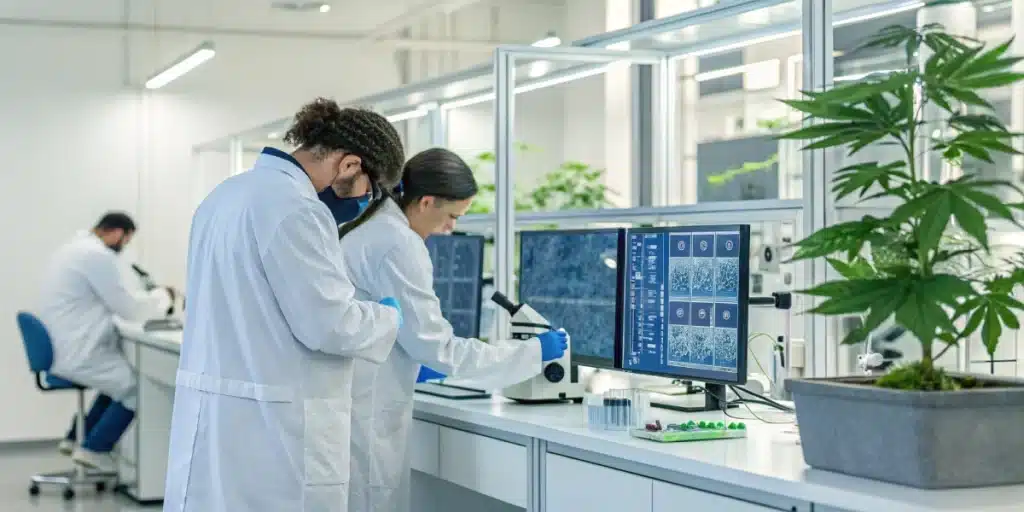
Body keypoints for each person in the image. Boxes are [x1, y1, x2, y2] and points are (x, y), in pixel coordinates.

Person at [163, 98, 407, 512]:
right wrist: (386, 317)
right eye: (372, 189)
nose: (366, 201)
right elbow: (331, 326)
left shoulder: (225, 195)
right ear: (350, 165)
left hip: (222, 422)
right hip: (277, 436)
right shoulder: (297, 209)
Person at [334, 147, 570, 512]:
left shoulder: (374, 224)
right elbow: (440, 349)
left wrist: (418, 357)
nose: (451, 228)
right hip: (366, 411)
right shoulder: (398, 243)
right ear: (426, 202)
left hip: (357, 399)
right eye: (452, 216)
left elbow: (413, 337)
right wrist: (533, 352)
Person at [38, 212, 174, 471]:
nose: (123, 246)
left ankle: (75, 437)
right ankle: (94, 450)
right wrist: (162, 297)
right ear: (116, 232)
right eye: (126, 240)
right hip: (77, 350)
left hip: (65, 345)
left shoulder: (74, 250)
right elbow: (128, 308)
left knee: (116, 382)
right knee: (135, 388)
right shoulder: (96, 256)